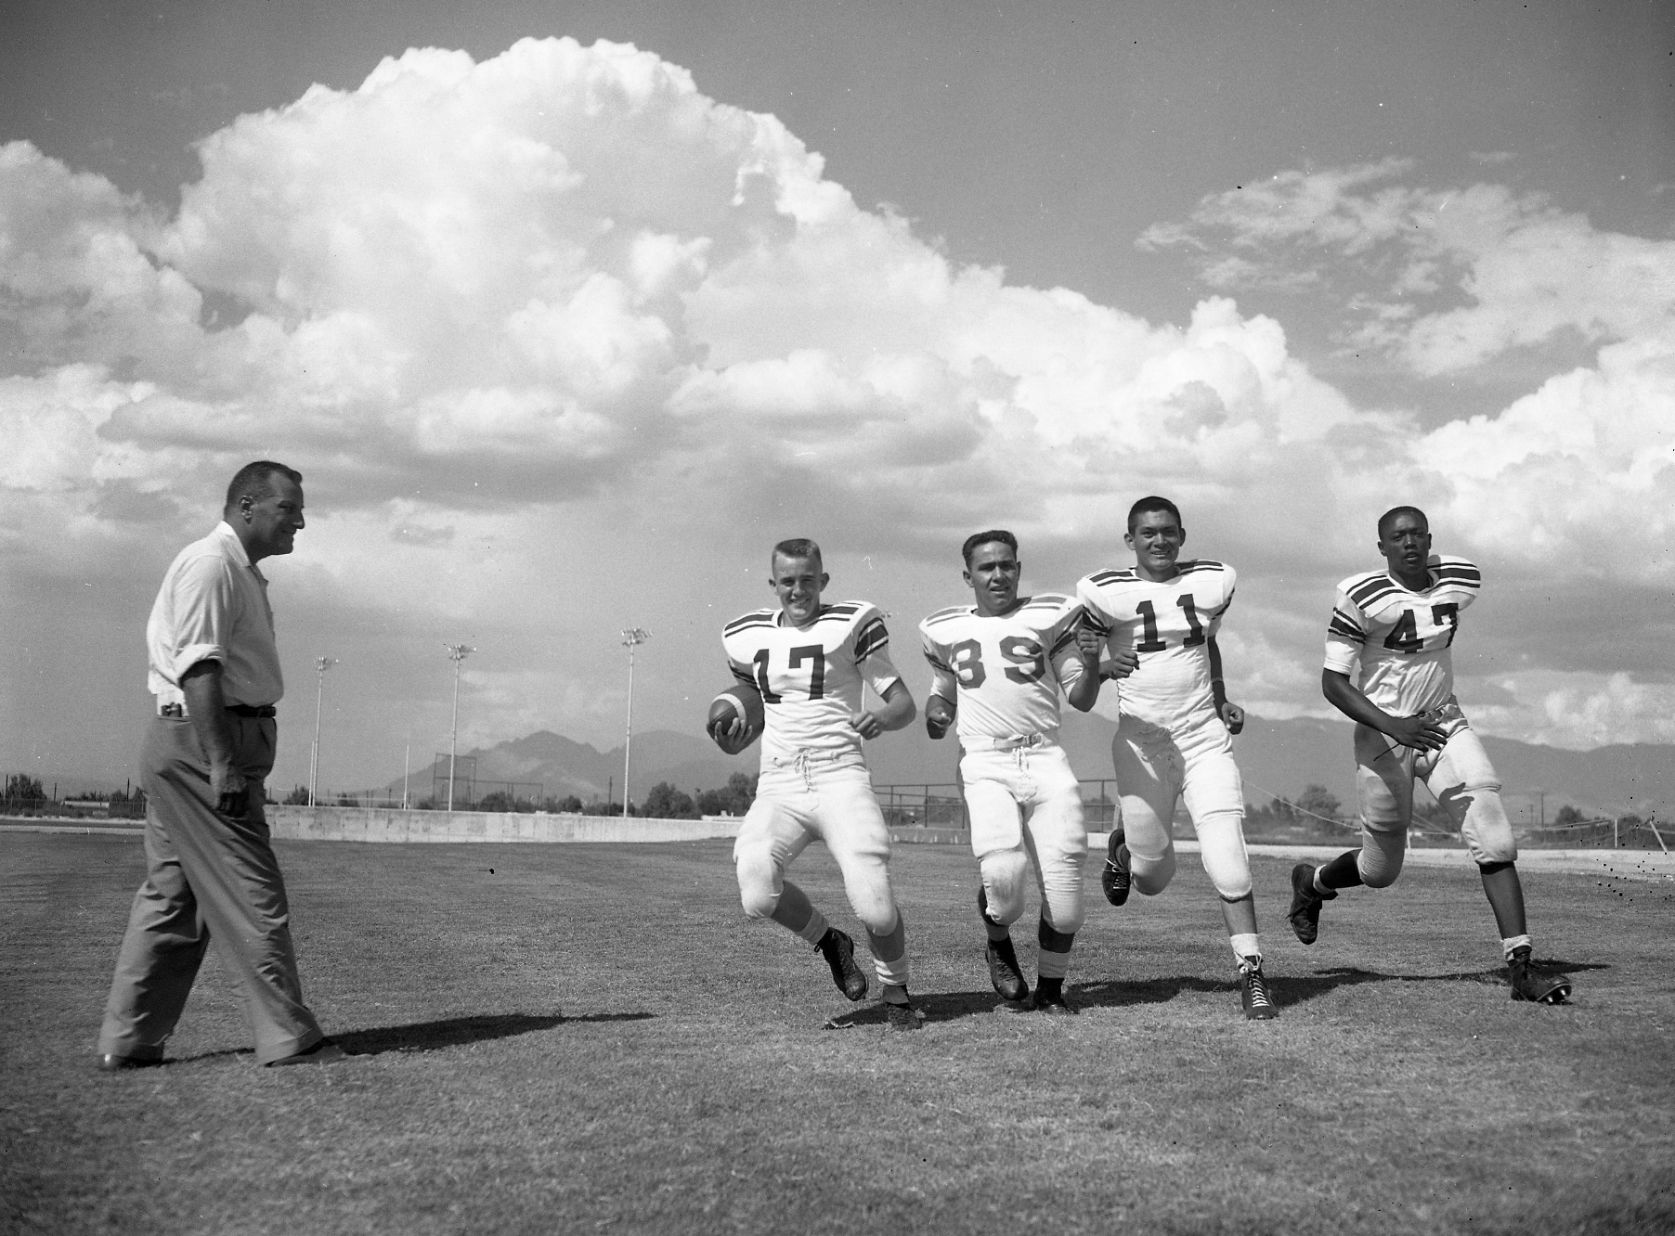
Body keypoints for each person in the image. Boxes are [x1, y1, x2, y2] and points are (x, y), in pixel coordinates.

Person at [97, 461, 347, 1070]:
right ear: (247, 507)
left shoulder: (239, 570)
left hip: (206, 740)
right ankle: (290, 1037)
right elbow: (200, 668)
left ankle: (128, 1041)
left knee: (174, 897)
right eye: (289, 509)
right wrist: (222, 764)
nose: (301, 521)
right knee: (253, 892)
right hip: (203, 744)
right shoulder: (212, 566)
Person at [1288, 506, 1572, 1004]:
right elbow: (1333, 683)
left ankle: (1522, 967)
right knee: (1381, 871)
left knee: (1494, 834)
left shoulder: (1459, 578)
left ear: (1430, 538)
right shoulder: (1362, 596)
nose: (1410, 543)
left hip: (1443, 722)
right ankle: (1312, 884)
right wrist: (1393, 723)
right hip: (1384, 734)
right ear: (1383, 548)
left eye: (1418, 534)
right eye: (1398, 537)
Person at [1076, 496, 1278, 1020]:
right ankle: (1121, 852)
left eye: (1167, 532)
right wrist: (1101, 666)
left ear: (1182, 534)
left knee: (1228, 860)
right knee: (1153, 876)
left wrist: (1220, 695)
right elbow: (1075, 671)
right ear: (1130, 541)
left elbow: (1205, 643)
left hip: (1203, 737)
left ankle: (1251, 970)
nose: (1158, 541)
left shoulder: (1211, 582)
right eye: (1147, 533)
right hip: (1143, 744)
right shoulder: (1104, 593)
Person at [713, 538, 922, 1030]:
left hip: (839, 775)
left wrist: (882, 718)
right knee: (756, 890)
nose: (798, 590)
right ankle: (830, 942)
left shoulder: (850, 624)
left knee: (875, 902)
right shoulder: (748, 636)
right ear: (773, 585)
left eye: (808, 580)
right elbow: (760, 712)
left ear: (823, 581)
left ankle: (896, 993)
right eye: (788, 581)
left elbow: (903, 703)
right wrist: (731, 744)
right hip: (780, 781)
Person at [919, 531, 1102, 1014]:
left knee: (1066, 900)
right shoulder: (946, 629)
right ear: (968, 576)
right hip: (984, 760)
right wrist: (936, 715)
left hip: (1044, 756)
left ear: (1018, 568)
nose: (997, 575)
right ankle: (997, 941)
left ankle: (1051, 989)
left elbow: (1080, 697)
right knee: (1005, 881)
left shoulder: (1049, 616)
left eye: (1006, 565)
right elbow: (943, 690)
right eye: (986, 568)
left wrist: (1094, 663)